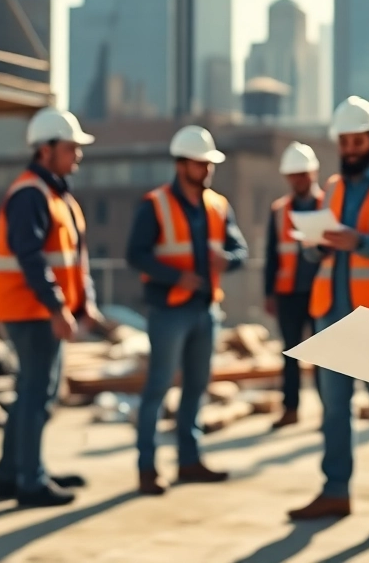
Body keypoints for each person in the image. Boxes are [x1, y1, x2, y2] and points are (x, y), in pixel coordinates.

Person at [288, 96, 369, 539]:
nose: (349, 148)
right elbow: (331, 244)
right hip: (333, 317)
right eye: (343, 141)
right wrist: (315, 243)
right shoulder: (335, 186)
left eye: (356, 140)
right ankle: (335, 489)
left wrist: (356, 241)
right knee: (333, 411)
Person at [0, 107, 104, 507]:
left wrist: (84, 303)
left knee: (31, 394)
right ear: (46, 149)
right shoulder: (30, 194)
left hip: (40, 310)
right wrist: (58, 308)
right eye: (71, 147)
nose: (78, 155)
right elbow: (30, 256)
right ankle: (30, 481)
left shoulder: (57, 197)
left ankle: (11, 474)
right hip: (30, 311)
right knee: (38, 395)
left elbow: (74, 259)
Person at [126, 124, 248, 496]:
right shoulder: (155, 204)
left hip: (206, 309)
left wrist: (224, 260)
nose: (208, 170)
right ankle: (147, 468)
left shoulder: (218, 205)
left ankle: (189, 460)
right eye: (201, 164)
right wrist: (175, 277)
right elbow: (136, 255)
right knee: (158, 388)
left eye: (210, 164)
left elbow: (239, 252)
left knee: (196, 387)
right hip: (168, 310)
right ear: (182, 165)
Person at [264, 141, 324, 429]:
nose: (299, 179)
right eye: (294, 174)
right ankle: (291, 409)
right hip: (289, 293)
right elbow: (271, 254)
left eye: (303, 173)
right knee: (290, 352)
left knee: (325, 356)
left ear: (313, 173)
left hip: (321, 292)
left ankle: (330, 411)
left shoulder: (328, 206)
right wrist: (269, 292)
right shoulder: (279, 211)